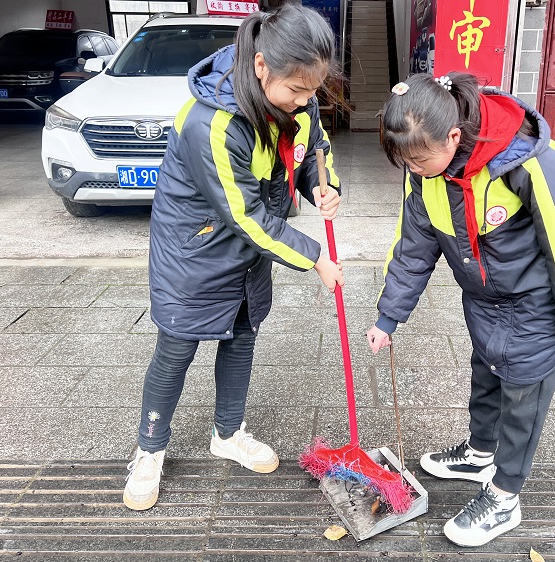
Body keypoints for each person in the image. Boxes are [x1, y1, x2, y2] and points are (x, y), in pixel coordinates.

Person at [366, 72, 555, 547]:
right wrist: (388, 317)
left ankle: (505, 495)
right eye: (405, 162)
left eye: (419, 159)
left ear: (453, 136)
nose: (414, 170)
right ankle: (479, 453)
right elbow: (413, 250)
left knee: (523, 399)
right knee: (487, 373)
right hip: (484, 300)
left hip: (536, 304)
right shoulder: (426, 176)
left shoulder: (526, 161)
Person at [123, 4, 344, 511]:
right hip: (194, 252)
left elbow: (313, 147)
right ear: (262, 65)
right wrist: (315, 258)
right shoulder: (212, 124)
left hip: (247, 254)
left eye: (314, 91)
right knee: (176, 352)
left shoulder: (296, 97)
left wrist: (320, 186)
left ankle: (228, 433)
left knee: (242, 338)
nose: (306, 102)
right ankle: (149, 449)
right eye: (297, 91)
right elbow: (244, 215)